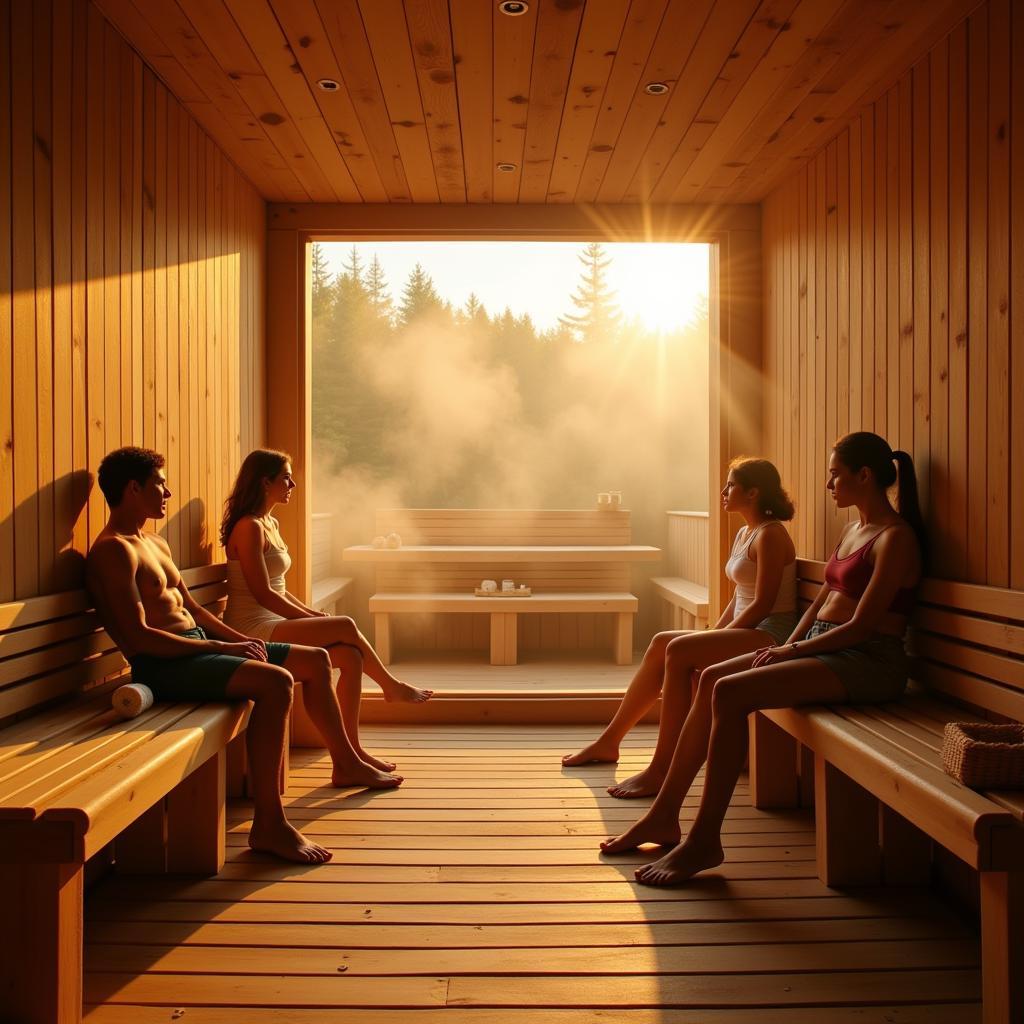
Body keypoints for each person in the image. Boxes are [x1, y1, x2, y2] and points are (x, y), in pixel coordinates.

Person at [601, 432, 925, 886]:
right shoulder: (853, 530)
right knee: (713, 677)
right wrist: (784, 646)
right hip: (822, 645)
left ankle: (704, 840)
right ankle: (664, 813)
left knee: (731, 691)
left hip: (867, 660)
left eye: (836, 475)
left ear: (864, 476)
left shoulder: (896, 538)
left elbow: (863, 626)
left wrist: (788, 650)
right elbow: (820, 603)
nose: (829, 484)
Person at [85, 447, 341, 865]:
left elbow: (196, 610)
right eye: (159, 484)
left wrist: (238, 639)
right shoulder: (114, 551)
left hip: (198, 649)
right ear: (133, 488)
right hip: (165, 667)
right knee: (274, 682)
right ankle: (269, 824)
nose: (167, 492)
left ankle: (344, 763)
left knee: (315, 660)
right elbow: (140, 638)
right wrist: (223, 647)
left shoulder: (154, 542)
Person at [562, 458, 799, 799]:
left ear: (753, 492)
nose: (723, 491)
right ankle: (609, 741)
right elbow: (739, 596)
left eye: (730, 485)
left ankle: (660, 771)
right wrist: (712, 634)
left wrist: (717, 638)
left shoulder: (771, 535)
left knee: (678, 650)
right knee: (662, 642)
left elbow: (763, 604)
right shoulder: (746, 532)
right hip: (745, 629)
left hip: (769, 634)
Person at [221, 450, 432, 780]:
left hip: (273, 621)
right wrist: (310, 620)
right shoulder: (248, 528)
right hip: (251, 627)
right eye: (285, 478)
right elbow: (262, 594)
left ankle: (350, 755)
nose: (292, 484)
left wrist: (308, 613)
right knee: (345, 624)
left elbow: (278, 587)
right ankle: (391, 687)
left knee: (350, 657)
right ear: (265, 482)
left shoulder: (270, 524)